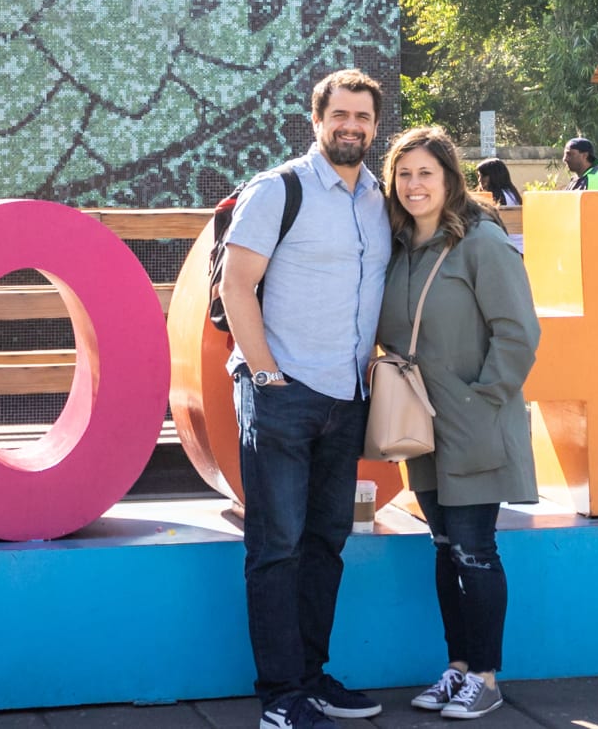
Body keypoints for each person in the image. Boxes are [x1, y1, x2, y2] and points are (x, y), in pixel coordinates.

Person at [222, 69, 394, 729]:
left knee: (326, 541)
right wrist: (266, 376)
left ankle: (314, 677)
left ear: (375, 127)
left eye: (363, 117)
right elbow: (237, 285)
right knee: (277, 545)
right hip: (282, 394)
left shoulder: (381, 199)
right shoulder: (279, 190)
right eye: (341, 114)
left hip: (348, 398)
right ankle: (280, 696)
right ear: (317, 118)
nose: (352, 125)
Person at [379, 126, 540, 721]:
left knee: (475, 549)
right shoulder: (398, 248)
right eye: (404, 173)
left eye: (425, 172)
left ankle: (487, 676)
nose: (414, 184)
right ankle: (457, 668)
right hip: (420, 425)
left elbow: (518, 331)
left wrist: (482, 398)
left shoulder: (482, 242)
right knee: (444, 547)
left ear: (449, 178)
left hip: (474, 420)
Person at [475, 158, 525, 253]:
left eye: (483, 176)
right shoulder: (512, 193)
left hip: (507, 248)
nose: (480, 180)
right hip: (522, 248)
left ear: (494, 177)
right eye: (479, 176)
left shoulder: (495, 197)